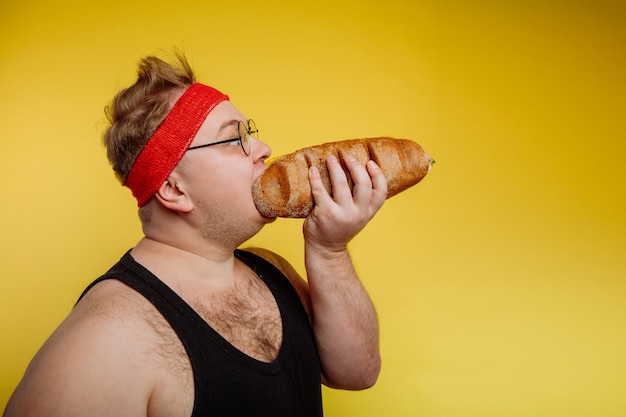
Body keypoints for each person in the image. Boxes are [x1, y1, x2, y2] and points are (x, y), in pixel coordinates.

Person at [3, 52, 387, 417]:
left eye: (250, 133)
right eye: (235, 139)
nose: (264, 149)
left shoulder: (272, 270)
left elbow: (357, 374)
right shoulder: (105, 338)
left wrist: (329, 250)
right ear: (174, 190)